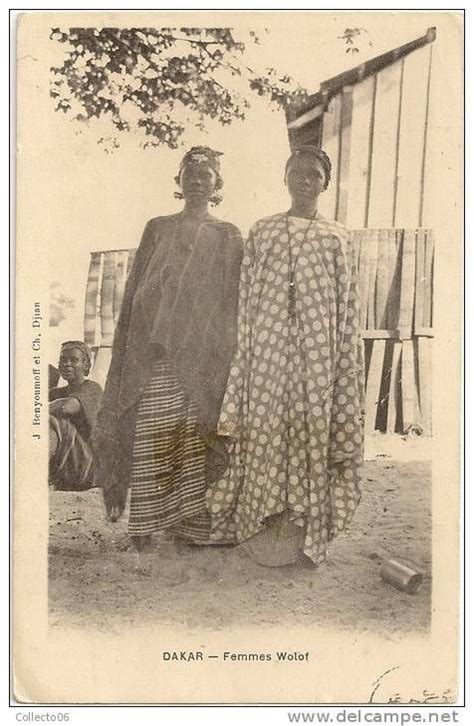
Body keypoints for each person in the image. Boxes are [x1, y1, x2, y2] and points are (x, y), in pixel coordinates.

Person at [206, 145, 365, 566]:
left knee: (310, 428)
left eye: (314, 175)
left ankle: (304, 530)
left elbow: (348, 306)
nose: (305, 181)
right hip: (268, 350)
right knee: (265, 428)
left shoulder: (338, 237)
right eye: (298, 173)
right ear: (286, 178)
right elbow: (246, 295)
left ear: (325, 183)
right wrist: (250, 350)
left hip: (318, 353)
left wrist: (340, 359)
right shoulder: (264, 230)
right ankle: (261, 522)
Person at [93, 146, 243, 553]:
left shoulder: (228, 234)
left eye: (206, 175)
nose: (197, 181)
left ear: (218, 185)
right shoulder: (156, 227)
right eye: (189, 175)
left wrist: (220, 349)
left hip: (202, 355)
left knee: (194, 436)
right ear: (178, 182)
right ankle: (145, 522)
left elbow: (231, 298)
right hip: (154, 350)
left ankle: (190, 527)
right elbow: (138, 287)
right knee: (151, 430)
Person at [49, 341, 103, 491]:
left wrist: (36, 409)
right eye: (63, 360)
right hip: (66, 467)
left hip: (89, 466)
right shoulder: (55, 393)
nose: (66, 364)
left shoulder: (93, 389)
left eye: (74, 360)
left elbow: (67, 407)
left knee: (53, 421)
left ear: (86, 365)